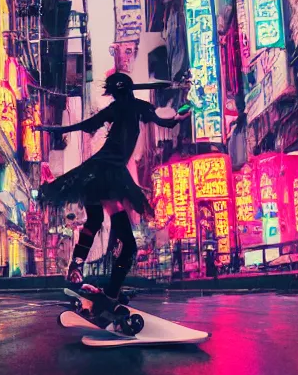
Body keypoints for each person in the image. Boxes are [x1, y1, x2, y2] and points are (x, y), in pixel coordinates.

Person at [36, 72, 188, 314]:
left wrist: (53, 129)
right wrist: (181, 115)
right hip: (109, 174)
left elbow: (85, 125)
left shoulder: (117, 109)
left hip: (95, 172)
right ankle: (110, 295)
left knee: (95, 220)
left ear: (113, 93)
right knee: (127, 247)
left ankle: (77, 268)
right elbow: (167, 123)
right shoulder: (138, 107)